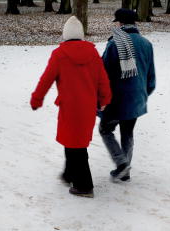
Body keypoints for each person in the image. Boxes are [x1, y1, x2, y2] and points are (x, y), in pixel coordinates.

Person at [30, 16, 112, 198]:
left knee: (76, 146)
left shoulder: (60, 54)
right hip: (88, 107)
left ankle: (84, 186)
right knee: (74, 141)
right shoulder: (92, 53)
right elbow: (102, 79)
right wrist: (105, 99)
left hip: (69, 108)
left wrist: (37, 99)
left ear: (65, 35)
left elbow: (46, 79)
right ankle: (69, 174)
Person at [99, 8, 156, 183]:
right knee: (128, 133)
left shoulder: (114, 43)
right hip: (137, 98)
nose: (115, 24)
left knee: (105, 129)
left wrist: (101, 98)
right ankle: (125, 172)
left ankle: (122, 164)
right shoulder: (146, 44)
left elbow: (103, 73)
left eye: (116, 22)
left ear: (121, 23)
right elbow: (150, 77)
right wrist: (143, 94)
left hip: (117, 99)